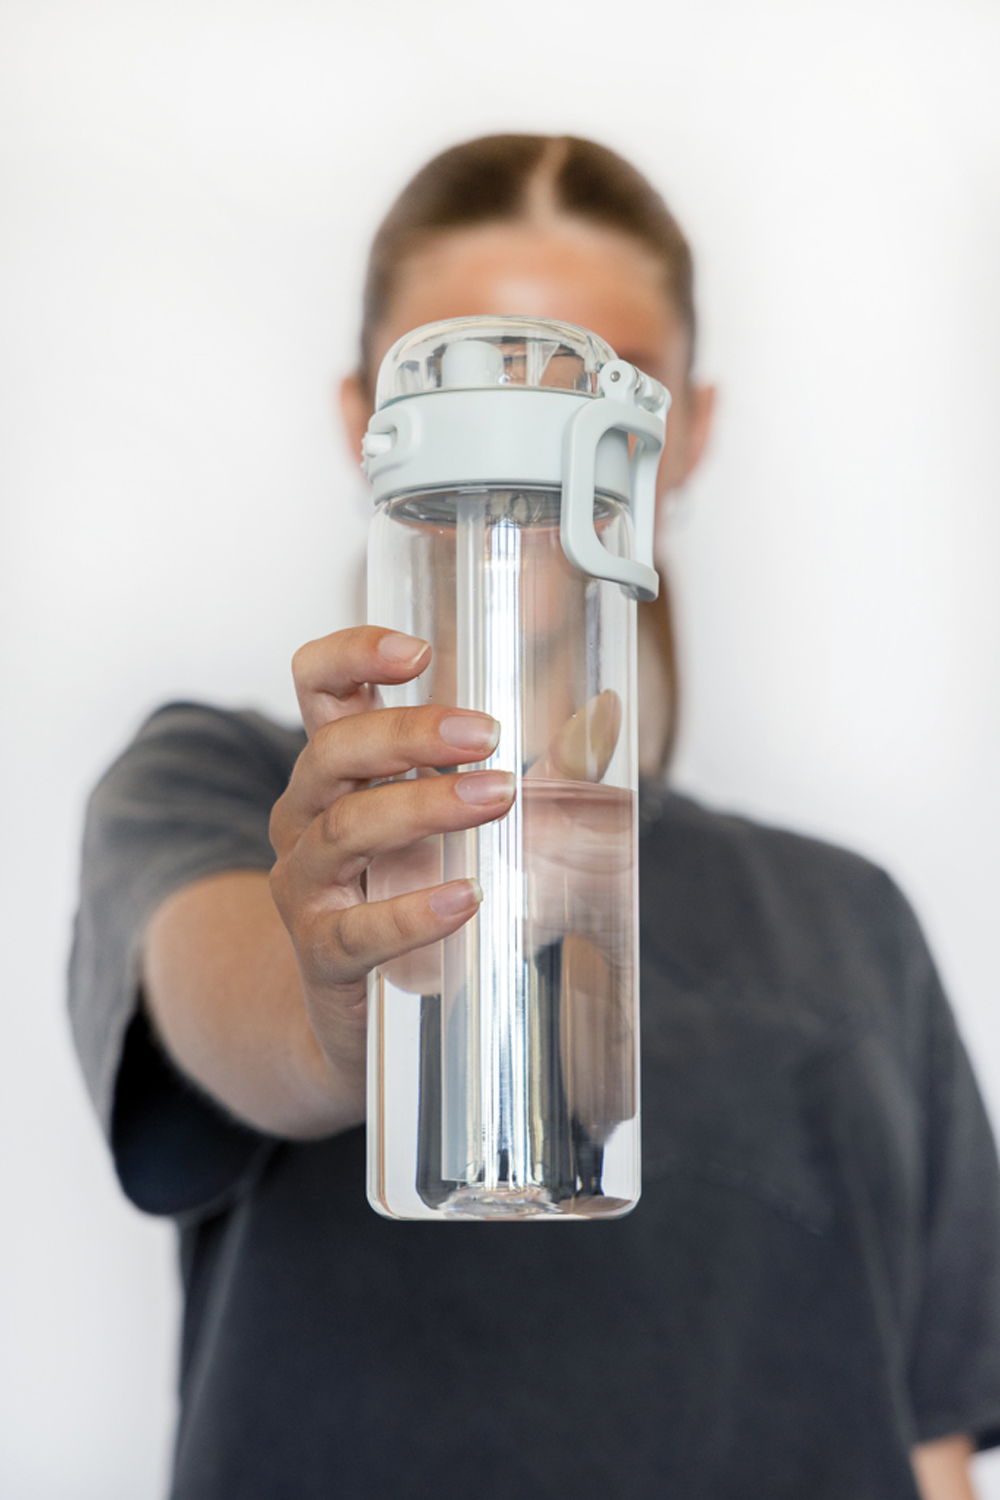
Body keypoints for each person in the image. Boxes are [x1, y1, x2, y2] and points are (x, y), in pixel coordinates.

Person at [69, 135, 1000, 1499]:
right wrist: (338, 1008)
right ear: (365, 420)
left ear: (683, 434)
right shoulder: (216, 785)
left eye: (590, 389)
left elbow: (929, 1442)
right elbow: (233, 997)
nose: (537, 454)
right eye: (475, 378)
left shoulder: (852, 923)